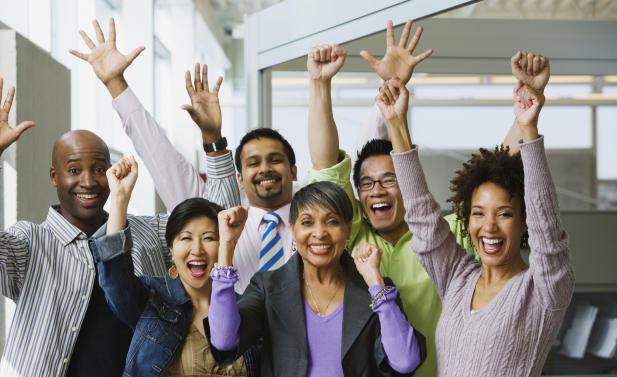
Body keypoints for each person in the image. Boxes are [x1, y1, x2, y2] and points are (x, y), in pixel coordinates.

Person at [70, 18, 396, 293]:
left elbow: (340, 164)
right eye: (253, 163)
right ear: (239, 177)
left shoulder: (318, 223)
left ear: (295, 170)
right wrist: (116, 84)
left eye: (276, 159)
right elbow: (159, 157)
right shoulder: (220, 219)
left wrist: (391, 96)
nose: (265, 168)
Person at [0, 78, 239, 377]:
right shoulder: (31, 242)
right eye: (74, 170)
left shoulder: (147, 233)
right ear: (54, 177)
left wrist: (213, 138)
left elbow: (220, 218)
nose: (88, 181)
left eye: (99, 169)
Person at [379, 53, 575, 376]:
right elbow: (425, 221)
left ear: (525, 220)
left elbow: (547, 228)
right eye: (478, 214)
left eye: (505, 214)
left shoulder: (543, 290)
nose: (489, 227)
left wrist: (529, 130)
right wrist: (396, 123)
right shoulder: (458, 279)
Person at [306, 20, 444, 377]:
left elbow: (499, 176)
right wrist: (320, 84)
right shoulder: (349, 236)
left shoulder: (443, 237)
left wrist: (526, 124)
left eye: (389, 180)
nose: (377, 191)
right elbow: (326, 168)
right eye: (366, 184)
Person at [205, 181, 425, 376]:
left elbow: (405, 362)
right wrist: (227, 246)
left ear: (348, 228)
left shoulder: (376, 290)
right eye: (307, 222)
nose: (320, 233)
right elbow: (224, 341)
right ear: (293, 229)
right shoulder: (268, 287)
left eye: (332, 221)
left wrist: (376, 283)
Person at [87, 156, 256, 376]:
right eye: (185, 238)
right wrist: (119, 198)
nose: (197, 249)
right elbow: (115, 282)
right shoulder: (153, 300)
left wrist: (228, 244)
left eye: (209, 238)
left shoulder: (245, 308)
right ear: (171, 249)